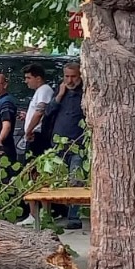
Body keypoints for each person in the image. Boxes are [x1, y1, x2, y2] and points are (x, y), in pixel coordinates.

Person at [51, 63, 86, 229]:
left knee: (75, 180)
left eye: (73, 76)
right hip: (59, 144)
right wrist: (59, 96)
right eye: (67, 76)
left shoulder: (86, 93)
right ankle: (55, 213)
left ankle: (74, 218)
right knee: (55, 181)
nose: (70, 80)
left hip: (77, 144)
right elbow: (48, 112)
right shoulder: (60, 92)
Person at [21, 64, 56, 159]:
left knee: (32, 167)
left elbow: (39, 112)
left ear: (38, 78)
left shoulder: (44, 90)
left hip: (37, 136)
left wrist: (28, 131)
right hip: (35, 134)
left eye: (29, 78)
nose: (26, 81)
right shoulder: (39, 91)